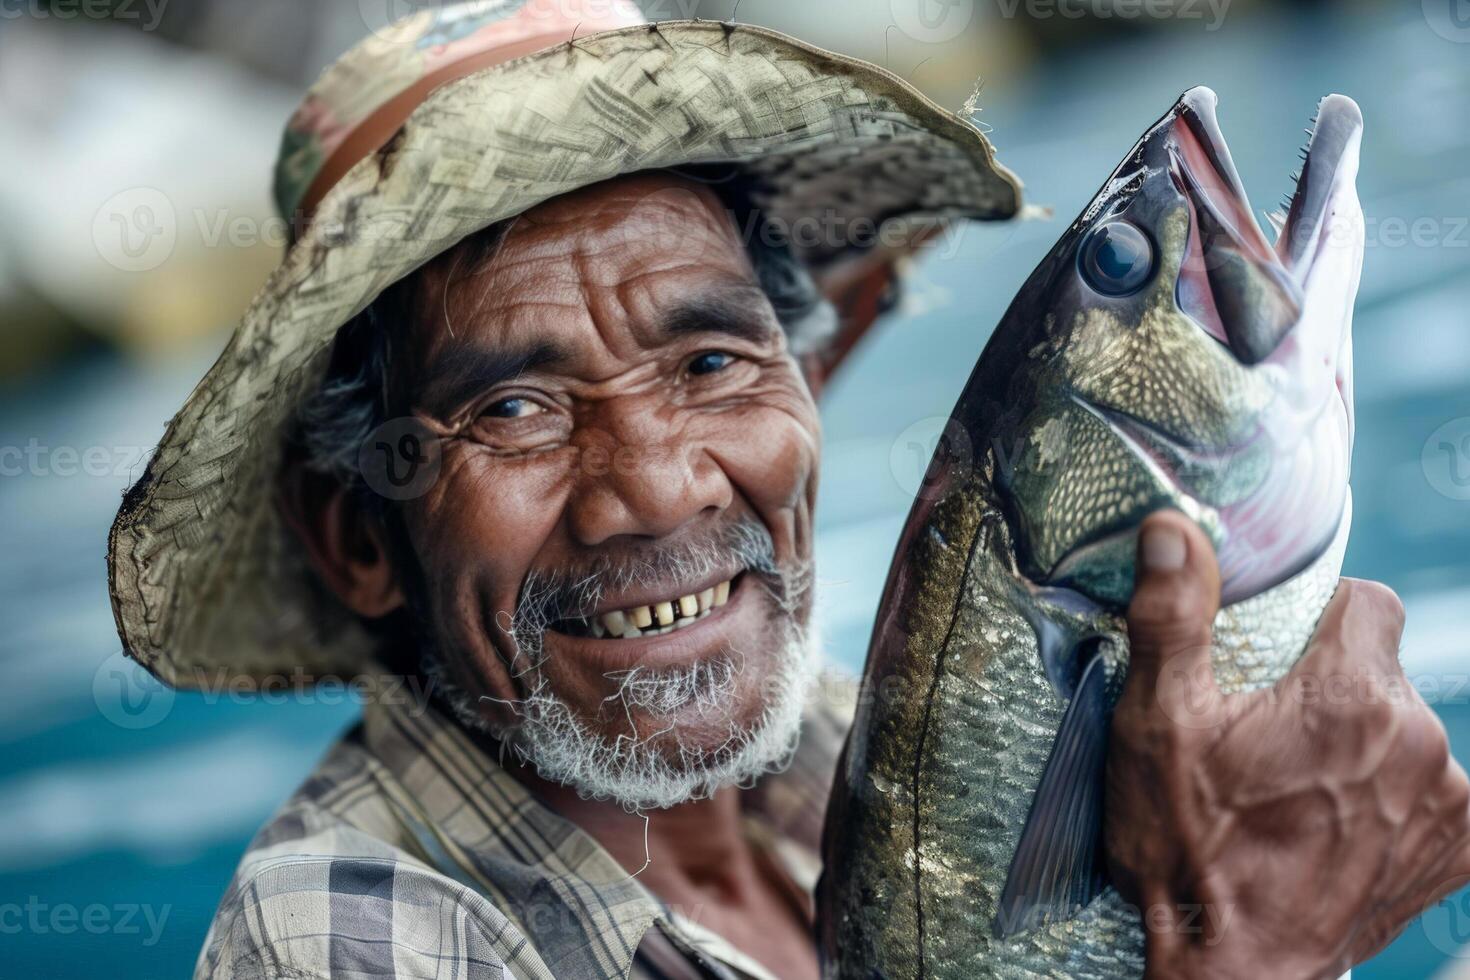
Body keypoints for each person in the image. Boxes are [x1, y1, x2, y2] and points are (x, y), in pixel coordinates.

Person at [107, 3, 1470, 977]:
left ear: (803, 382)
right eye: (512, 408)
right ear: (357, 532)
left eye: (708, 360)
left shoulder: (837, 746)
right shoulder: (347, 936)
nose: (649, 488)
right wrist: (1262, 950)